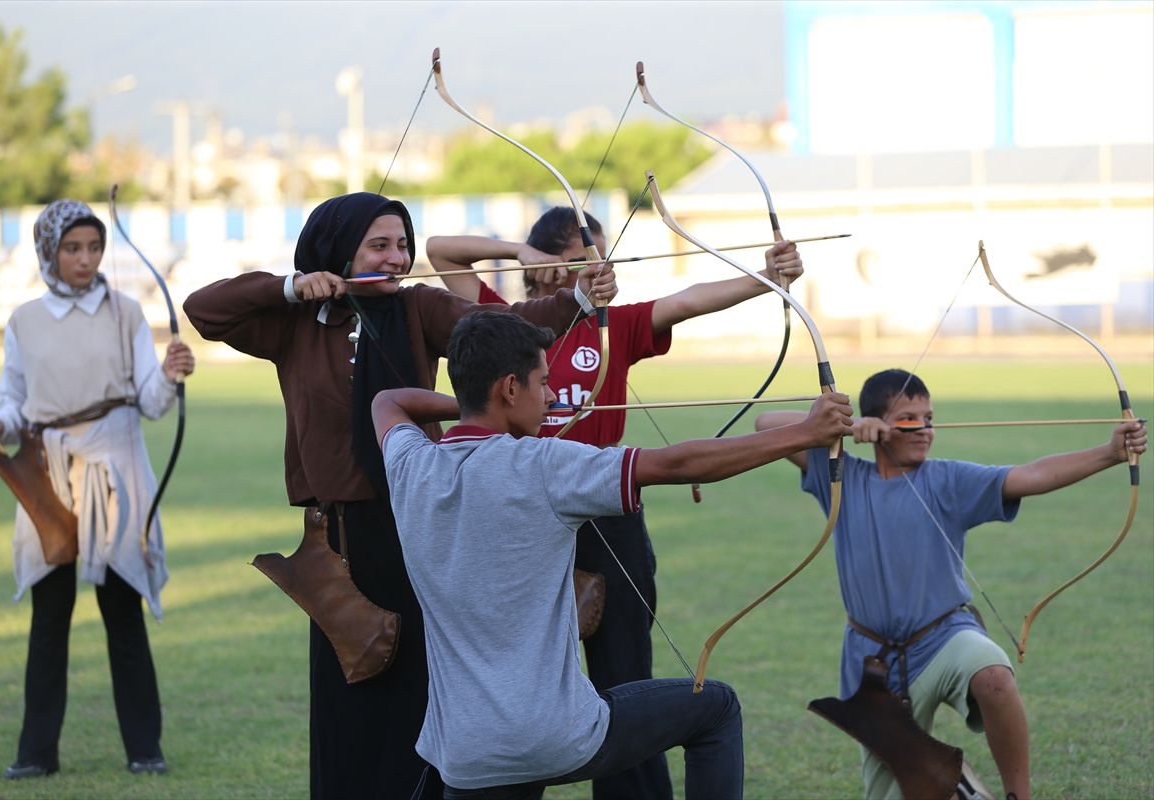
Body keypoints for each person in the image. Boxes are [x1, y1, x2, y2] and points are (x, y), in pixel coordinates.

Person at [181, 193, 617, 799]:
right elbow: (204, 310)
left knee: (423, 682)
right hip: (340, 542)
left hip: (421, 521)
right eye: (379, 246)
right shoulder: (294, 321)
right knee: (352, 683)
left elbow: (502, 327)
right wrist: (293, 286)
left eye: (402, 245)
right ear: (338, 251)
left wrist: (578, 298)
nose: (396, 258)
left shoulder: (417, 306)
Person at [372, 311, 853, 799]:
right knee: (717, 708)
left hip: (464, 753)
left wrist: (473, 402)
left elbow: (387, 401)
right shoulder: (542, 464)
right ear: (510, 389)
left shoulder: (411, 465)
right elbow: (678, 464)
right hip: (554, 736)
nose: (553, 397)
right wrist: (806, 433)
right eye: (544, 382)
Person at [427, 208, 803, 798]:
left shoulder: (612, 324)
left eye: (605, 256)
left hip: (602, 508)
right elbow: (441, 251)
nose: (601, 267)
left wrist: (766, 279)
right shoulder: (505, 327)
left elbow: (687, 301)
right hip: (518, 510)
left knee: (624, 672)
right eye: (585, 256)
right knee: (516, 673)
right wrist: (521, 253)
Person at [754, 369, 1148, 800]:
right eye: (910, 419)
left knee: (993, 674)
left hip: (944, 637)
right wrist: (845, 428)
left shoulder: (947, 479)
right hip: (873, 662)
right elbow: (765, 424)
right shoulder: (841, 476)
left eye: (930, 418)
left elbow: (1032, 475)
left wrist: (1109, 453)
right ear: (879, 425)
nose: (925, 429)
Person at [0, 199, 195, 778]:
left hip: (115, 471)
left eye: (94, 247)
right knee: (49, 617)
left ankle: (145, 749)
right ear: (49, 251)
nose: (86, 258)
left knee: (122, 611)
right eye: (72, 248)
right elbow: (15, 401)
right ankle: (35, 754)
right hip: (50, 477)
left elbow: (151, 402)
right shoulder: (24, 319)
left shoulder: (125, 311)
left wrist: (168, 374)